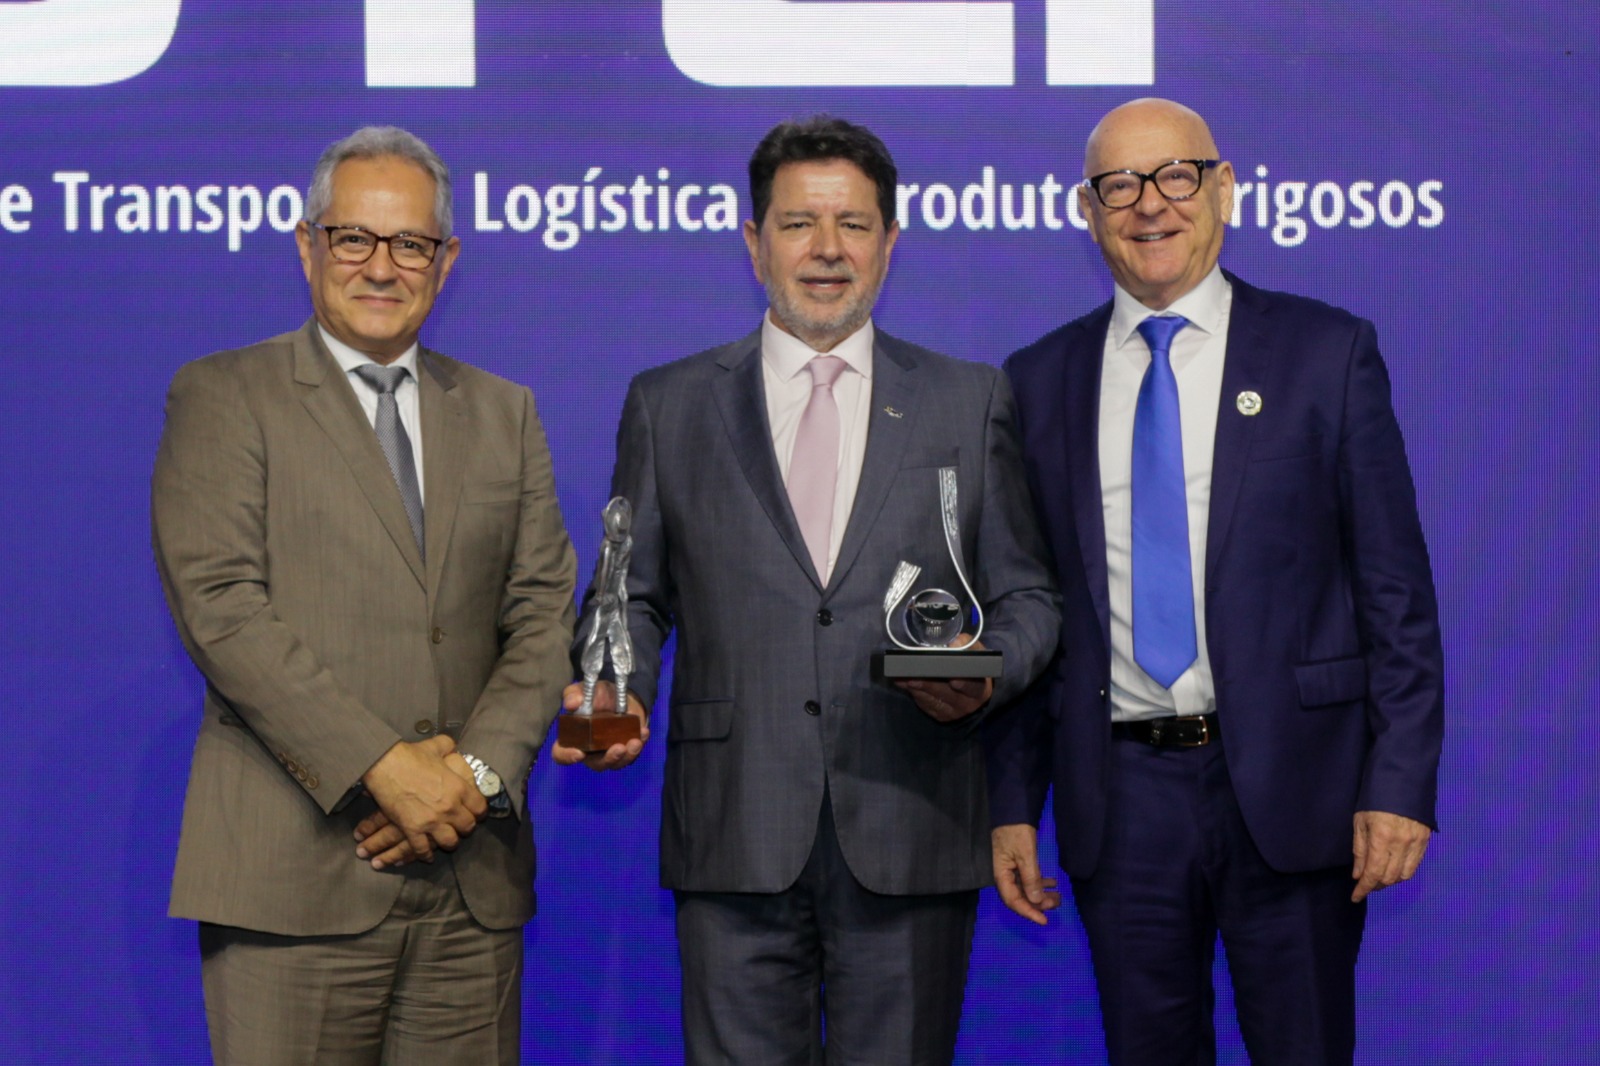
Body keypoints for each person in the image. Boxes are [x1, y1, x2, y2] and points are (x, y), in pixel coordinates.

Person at [554, 115, 1060, 1065]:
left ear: (890, 241)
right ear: (754, 243)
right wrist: (619, 689)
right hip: (734, 823)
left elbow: (1029, 598)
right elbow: (633, 593)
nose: (828, 249)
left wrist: (984, 672)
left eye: (854, 225)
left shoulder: (969, 399)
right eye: (798, 224)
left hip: (911, 821)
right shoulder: (669, 403)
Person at [984, 97, 1445, 1065]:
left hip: (1295, 787)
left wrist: (1398, 781)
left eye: (1175, 175)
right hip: (1120, 802)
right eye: (1119, 184)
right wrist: (1012, 801)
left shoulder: (1326, 354)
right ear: (1087, 210)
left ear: (1223, 188)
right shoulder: (1036, 380)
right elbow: (1035, 608)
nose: (1150, 204)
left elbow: (1394, 593)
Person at [151, 125, 577, 1065]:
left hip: (470, 883)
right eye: (354, 238)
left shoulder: (504, 413)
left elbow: (545, 611)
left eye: (410, 243)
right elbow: (221, 607)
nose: (381, 267)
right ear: (308, 245)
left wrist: (468, 782)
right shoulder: (225, 395)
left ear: (446, 260)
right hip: (292, 882)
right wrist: (385, 768)